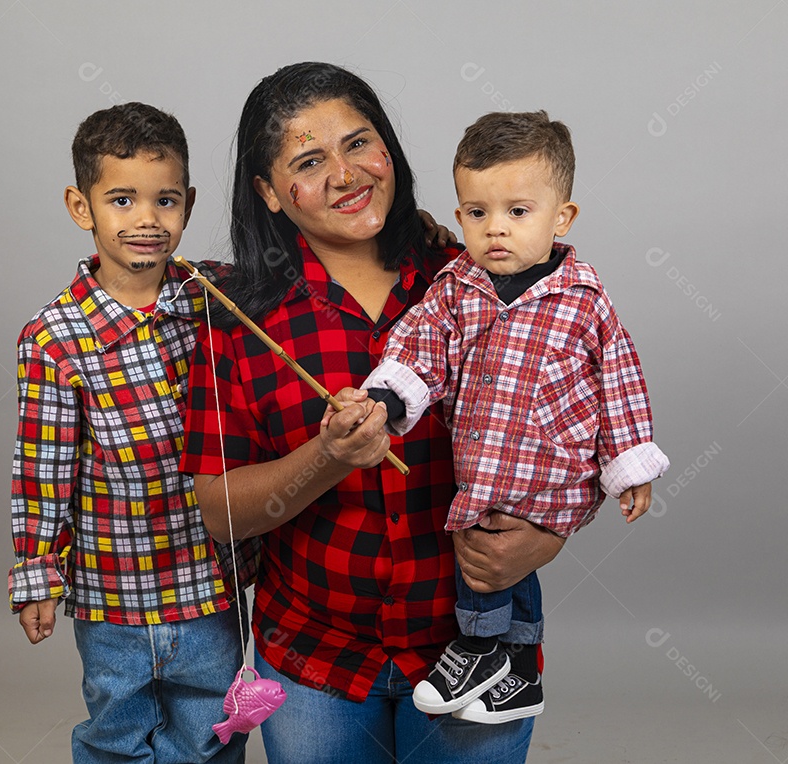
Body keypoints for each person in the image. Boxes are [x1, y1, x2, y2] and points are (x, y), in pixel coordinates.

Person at [181, 63, 562, 763]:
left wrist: (549, 538)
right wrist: (326, 458)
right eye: (307, 160)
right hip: (313, 660)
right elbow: (218, 510)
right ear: (268, 191)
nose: (344, 174)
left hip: (473, 648)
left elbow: (573, 426)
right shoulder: (237, 318)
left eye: (359, 143)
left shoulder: (485, 277)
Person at [348, 110, 670, 724]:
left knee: (491, 550)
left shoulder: (583, 299)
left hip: (554, 467)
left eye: (517, 212)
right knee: (493, 542)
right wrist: (392, 394)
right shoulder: (458, 286)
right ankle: (519, 670)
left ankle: (477, 646)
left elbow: (619, 378)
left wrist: (630, 464)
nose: (495, 230)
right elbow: (422, 343)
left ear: (561, 217)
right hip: (485, 458)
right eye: (476, 213)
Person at [9, 102, 256, 763]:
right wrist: (37, 573)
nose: (147, 219)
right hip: (112, 592)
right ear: (81, 206)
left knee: (211, 737)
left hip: (210, 586)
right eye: (122, 199)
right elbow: (43, 469)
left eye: (165, 200)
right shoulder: (55, 339)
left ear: (188, 203)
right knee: (117, 737)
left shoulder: (214, 302)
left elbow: (291, 281)